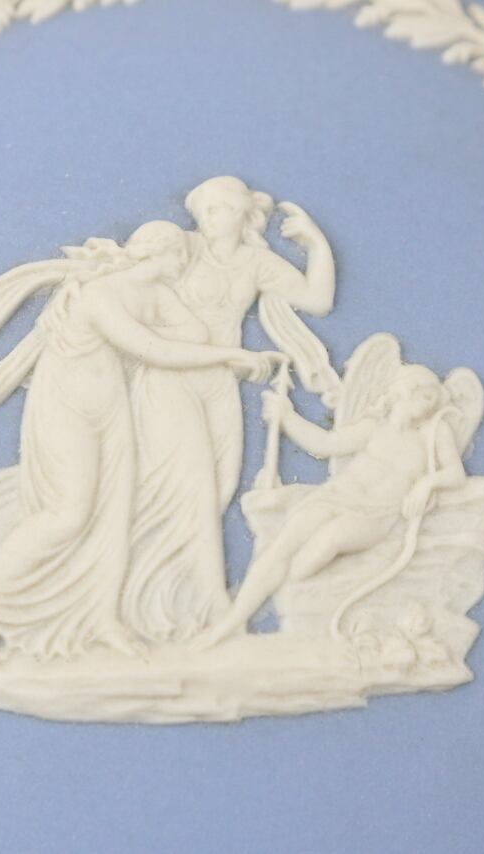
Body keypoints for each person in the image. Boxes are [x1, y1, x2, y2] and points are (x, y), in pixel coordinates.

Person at [0, 221, 281, 664]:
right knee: (69, 514)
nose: (186, 262)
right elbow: (155, 350)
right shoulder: (101, 295)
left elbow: (192, 334)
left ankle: (103, 619)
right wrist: (230, 355)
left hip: (110, 406)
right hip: (68, 405)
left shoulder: (157, 294)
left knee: (115, 515)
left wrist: (167, 332)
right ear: (162, 253)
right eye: (181, 253)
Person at [121, 177, 339, 642]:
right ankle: (210, 602)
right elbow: (133, 291)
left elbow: (317, 299)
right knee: (193, 488)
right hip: (170, 377)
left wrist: (317, 245)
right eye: (205, 210)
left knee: (218, 490)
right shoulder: (182, 249)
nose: (211, 218)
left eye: (222, 209)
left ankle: (174, 601)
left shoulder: (256, 262)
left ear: (244, 214)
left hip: (220, 382)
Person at [196, 365, 466, 648]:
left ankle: (277, 595)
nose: (430, 405)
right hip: (337, 496)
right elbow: (325, 444)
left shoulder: (434, 434)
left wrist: (428, 483)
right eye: (426, 397)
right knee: (282, 547)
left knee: (326, 542)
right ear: (405, 392)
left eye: (434, 400)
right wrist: (288, 418)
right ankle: (232, 622)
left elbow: (455, 473)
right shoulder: (374, 426)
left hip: (377, 514)